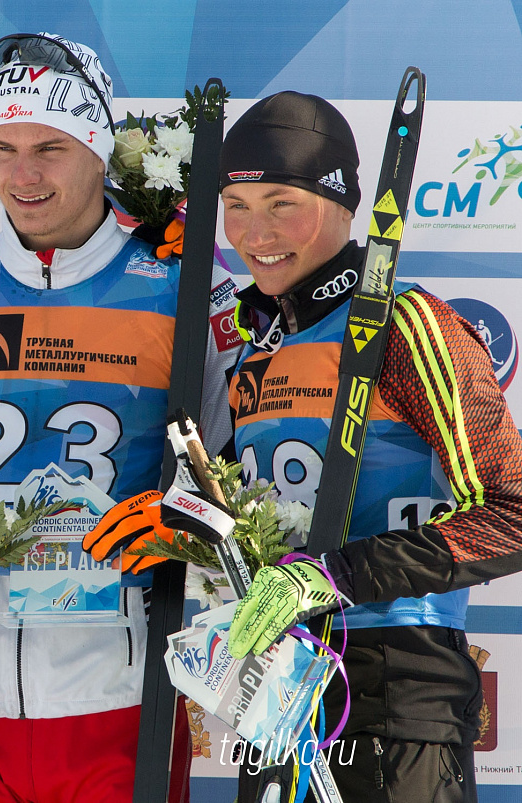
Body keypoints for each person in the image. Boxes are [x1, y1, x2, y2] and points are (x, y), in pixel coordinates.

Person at [0, 31, 241, 803]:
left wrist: (184, 523)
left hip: (122, 703)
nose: (22, 175)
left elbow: (235, 490)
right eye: (2, 148)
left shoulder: (183, 290)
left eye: (51, 148)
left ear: (102, 151)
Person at [215, 91, 522, 802]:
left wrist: (339, 574)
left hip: (398, 686)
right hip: (281, 688)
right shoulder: (257, 345)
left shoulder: (408, 323)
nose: (255, 232)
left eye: (282, 203)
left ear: (344, 205)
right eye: (237, 206)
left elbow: (512, 510)